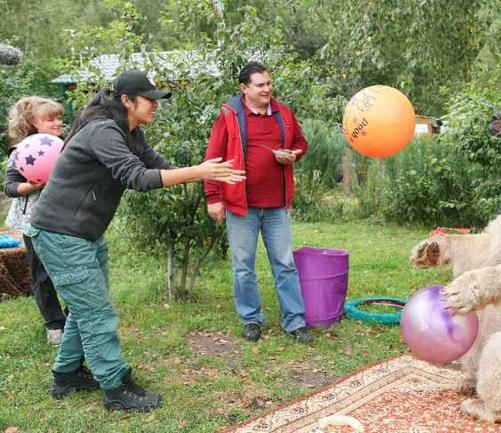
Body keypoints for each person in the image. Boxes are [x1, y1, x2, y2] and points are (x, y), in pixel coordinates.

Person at [26, 70, 245, 412]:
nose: (156, 106)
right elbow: (137, 178)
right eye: (150, 99)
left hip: (84, 234)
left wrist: (207, 173)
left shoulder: (131, 132)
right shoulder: (103, 131)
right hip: (61, 234)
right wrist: (201, 171)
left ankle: (66, 375)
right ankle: (115, 388)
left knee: (86, 311)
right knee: (96, 313)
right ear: (127, 100)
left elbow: (158, 167)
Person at [204, 61, 313, 344]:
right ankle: (251, 319)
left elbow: (301, 143)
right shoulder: (230, 116)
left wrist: (293, 154)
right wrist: (213, 197)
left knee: (285, 263)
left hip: (276, 205)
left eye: (269, 83)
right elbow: (213, 157)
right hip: (242, 205)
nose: (267, 89)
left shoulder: (283, 113)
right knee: (243, 266)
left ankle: (295, 321)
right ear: (244, 88)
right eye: (260, 85)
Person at [4, 96, 67, 345]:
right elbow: (9, 186)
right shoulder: (23, 151)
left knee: (72, 268)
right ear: (33, 123)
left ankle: (76, 316)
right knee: (42, 273)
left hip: (65, 219)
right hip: (34, 221)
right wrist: (30, 186)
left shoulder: (65, 146)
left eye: (59, 117)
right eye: (49, 119)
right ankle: (54, 324)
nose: (57, 123)